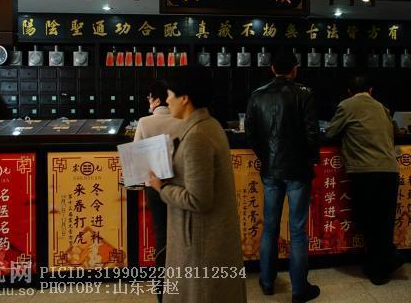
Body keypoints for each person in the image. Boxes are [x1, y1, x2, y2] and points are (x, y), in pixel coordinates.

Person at [146, 67, 246, 303]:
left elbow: (199, 199)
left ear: (184, 98)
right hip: (208, 236)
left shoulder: (197, 136)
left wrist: (162, 187)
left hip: (200, 241)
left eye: (170, 94)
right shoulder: (209, 125)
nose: (167, 100)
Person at [245, 50, 320, 303]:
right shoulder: (305, 93)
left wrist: (265, 156)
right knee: (297, 229)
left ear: (272, 69)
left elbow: (250, 133)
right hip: (298, 171)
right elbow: (312, 134)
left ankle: (267, 282)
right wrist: (310, 159)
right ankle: (299, 289)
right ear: (295, 69)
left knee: (270, 227)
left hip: (271, 170)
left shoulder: (257, 95)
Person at [325, 74, 402, 285]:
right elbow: (394, 133)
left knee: (367, 220)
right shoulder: (382, 107)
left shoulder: (346, 105)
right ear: (370, 90)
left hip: (365, 172)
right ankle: (385, 262)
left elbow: (330, 133)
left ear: (349, 92)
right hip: (390, 170)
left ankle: (379, 269)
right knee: (384, 221)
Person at [133, 81, 182, 303]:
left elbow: (137, 159)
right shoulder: (181, 120)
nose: (148, 101)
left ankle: (162, 291)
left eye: (150, 97)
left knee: (161, 236)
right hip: (179, 187)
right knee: (181, 235)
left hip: (154, 186)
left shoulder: (145, 122)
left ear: (158, 100)